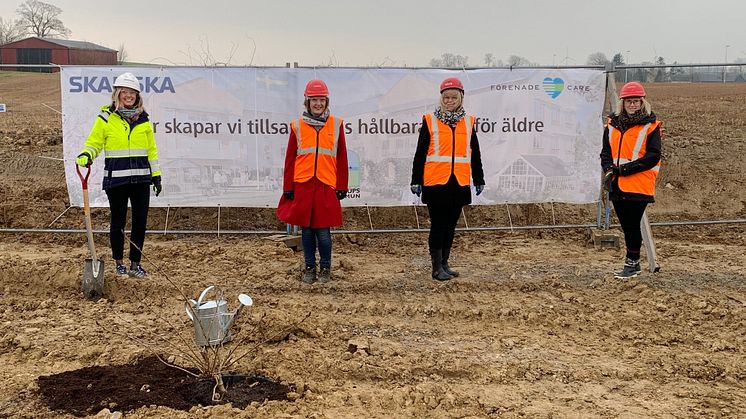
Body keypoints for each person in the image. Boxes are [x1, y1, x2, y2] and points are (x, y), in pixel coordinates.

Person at [76, 72, 162, 279]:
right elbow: (94, 142)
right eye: (125, 92)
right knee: (118, 222)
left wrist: (156, 175)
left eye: (133, 92)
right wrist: (87, 154)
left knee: (140, 222)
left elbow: (152, 150)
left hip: (141, 179)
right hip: (117, 180)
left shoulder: (143, 120)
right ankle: (119, 263)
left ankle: (135, 264)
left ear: (137, 96)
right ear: (117, 94)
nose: (129, 96)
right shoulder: (106, 118)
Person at [410, 77, 485, 281]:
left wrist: (479, 178)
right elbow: (420, 153)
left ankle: (445, 264)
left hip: (458, 183)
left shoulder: (469, 122)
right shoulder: (430, 120)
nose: (449, 100)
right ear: (441, 98)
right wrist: (416, 179)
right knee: (438, 224)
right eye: (446, 97)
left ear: (461, 98)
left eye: (454, 97)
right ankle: (436, 268)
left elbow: (475, 153)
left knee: (451, 225)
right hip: (435, 183)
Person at [277, 79, 348, 284]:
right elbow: (290, 158)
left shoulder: (336, 124)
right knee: (307, 232)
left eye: (321, 100)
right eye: (314, 100)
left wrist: (342, 185)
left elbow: (342, 156)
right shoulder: (297, 126)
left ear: (327, 102)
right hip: (304, 184)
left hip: (326, 184)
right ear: (307, 102)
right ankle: (310, 268)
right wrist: (288, 187)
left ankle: (325, 268)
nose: (318, 104)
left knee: (324, 233)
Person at [600, 81, 662, 279]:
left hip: (638, 184)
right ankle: (632, 263)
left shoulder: (651, 126)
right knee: (627, 225)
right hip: (617, 183)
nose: (632, 105)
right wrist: (609, 169)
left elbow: (653, 155)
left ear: (642, 102)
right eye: (629, 101)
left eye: (636, 101)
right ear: (623, 103)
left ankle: (632, 263)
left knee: (633, 224)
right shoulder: (612, 124)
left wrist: (624, 169)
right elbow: (605, 151)